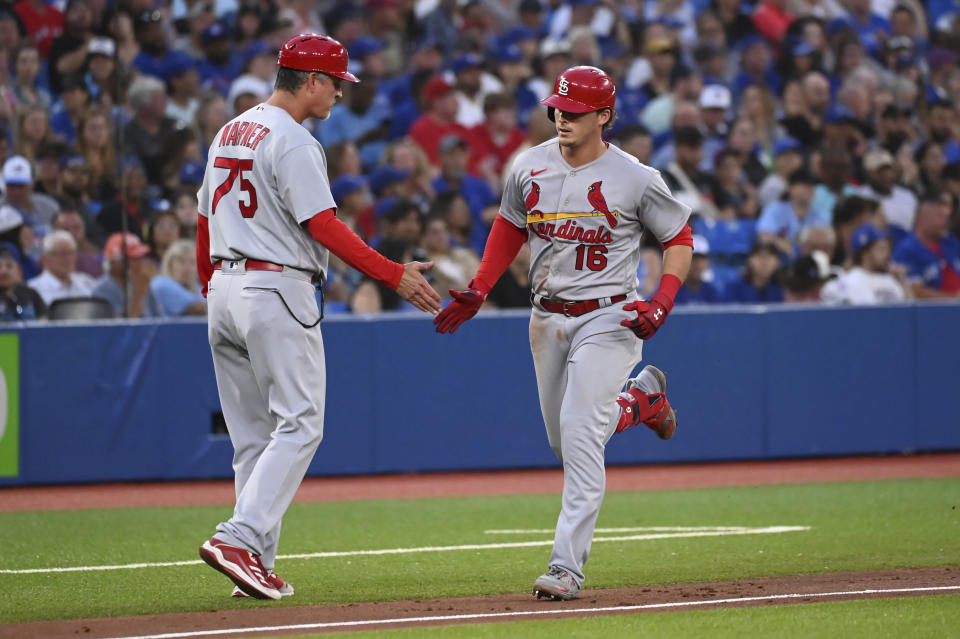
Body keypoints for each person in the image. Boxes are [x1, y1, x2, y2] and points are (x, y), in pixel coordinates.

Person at [196, 33, 441, 601]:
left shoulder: (231, 128)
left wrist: (211, 282)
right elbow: (323, 226)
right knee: (302, 423)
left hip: (226, 288)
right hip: (276, 286)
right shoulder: (296, 140)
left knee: (253, 439)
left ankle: (250, 561)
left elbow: (205, 212)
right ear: (310, 81)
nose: (337, 92)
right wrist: (391, 273)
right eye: (333, 82)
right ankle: (239, 539)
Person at [434, 66, 692, 601]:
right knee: (565, 440)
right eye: (558, 108)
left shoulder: (635, 176)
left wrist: (662, 300)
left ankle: (566, 566)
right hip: (546, 316)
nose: (562, 118)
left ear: (605, 116)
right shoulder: (529, 165)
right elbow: (508, 226)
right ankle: (642, 403)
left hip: (609, 313)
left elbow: (679, 236)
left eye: (575, 112)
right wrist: (480, 287)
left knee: (578, 434)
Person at [891, 189, 960, 299]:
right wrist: (953, 299)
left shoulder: (952, 243)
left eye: (947, 217)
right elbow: (914, 292)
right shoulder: (907, 249)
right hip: (934, 312)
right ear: (923, 214)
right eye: (940, 216)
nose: (945, 222)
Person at [821, 224, 910, 305]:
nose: (887, 254)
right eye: (881, 249)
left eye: (887, 249)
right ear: (865, 253)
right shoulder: (848, 282)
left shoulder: (891, 280)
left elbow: (911, 313)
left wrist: (902, 281)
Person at [90, 231, 159, 318]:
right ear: (114, 261)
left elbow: (161, 321)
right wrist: (139, 294)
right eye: (133, 258)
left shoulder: (143, 283)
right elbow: (123, 328)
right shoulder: (102, 290)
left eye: (140, 257)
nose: (140, 263)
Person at [26, 229, 95, 304]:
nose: (68, 259)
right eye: (62, 254)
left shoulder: (87, 283)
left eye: (71, 253)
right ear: (46, 259)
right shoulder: (33, 289)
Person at [150, 239, 205, 316]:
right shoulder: (160, 283)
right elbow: (198, 308)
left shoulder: (198, 288)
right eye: (181, 261)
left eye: (192, 262)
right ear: (170, 264)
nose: (187, 268)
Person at [0, 241, 45, 320]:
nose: (3, 271)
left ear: (19, 271)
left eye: (9, 266)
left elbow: (45, 322)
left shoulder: (31, 294)